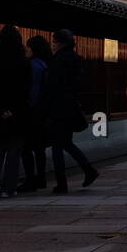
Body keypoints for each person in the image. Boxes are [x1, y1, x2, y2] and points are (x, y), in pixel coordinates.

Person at [43, 28, 99, 193]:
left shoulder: (58, 60)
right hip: (71, 107)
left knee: (57, 147)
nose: (53, 45)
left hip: (58, 108)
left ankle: (62, 183)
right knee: (66, 143)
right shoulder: (76, 59)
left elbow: (52, 86)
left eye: (54, 42)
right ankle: (88, 170)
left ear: (60, 43)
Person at [0, 25, 32, 198]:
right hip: (17, 113)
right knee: (13, 152)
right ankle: (8, 188)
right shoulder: (24, 63)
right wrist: (13, 110)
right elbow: (25, 90)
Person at [19, 35, 53, 191]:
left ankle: (30, 179)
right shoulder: (47, 65)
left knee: (26, 148)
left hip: (32, 113)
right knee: (39, 149)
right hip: (44, 112)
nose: (26, 50)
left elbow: (33, 91)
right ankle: (42, 178)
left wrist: (27, 106)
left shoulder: (32, 66)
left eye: (28, 47)